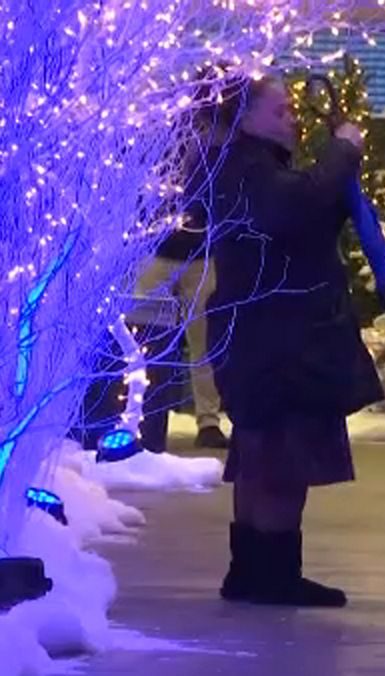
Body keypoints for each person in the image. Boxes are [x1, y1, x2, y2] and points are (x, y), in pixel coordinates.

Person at [204, 73, 385, 608]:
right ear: (244, 119)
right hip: (283, 344)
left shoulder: (246, 169)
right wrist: (344, 150)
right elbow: (297, 206)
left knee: (265, 459)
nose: (291, 119)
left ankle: (256, 571)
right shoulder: (250, 172)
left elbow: (302, 207)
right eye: (280, 111)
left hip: (272, 340)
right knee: (280, 465)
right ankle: (270, 577)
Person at [135, 108, 229, 450]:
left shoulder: (217, 147)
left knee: (204, 340)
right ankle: (141, 414)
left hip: (199, 253)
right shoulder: (166, 141)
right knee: (145, 336)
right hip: (161, 251)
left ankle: (208, 420)